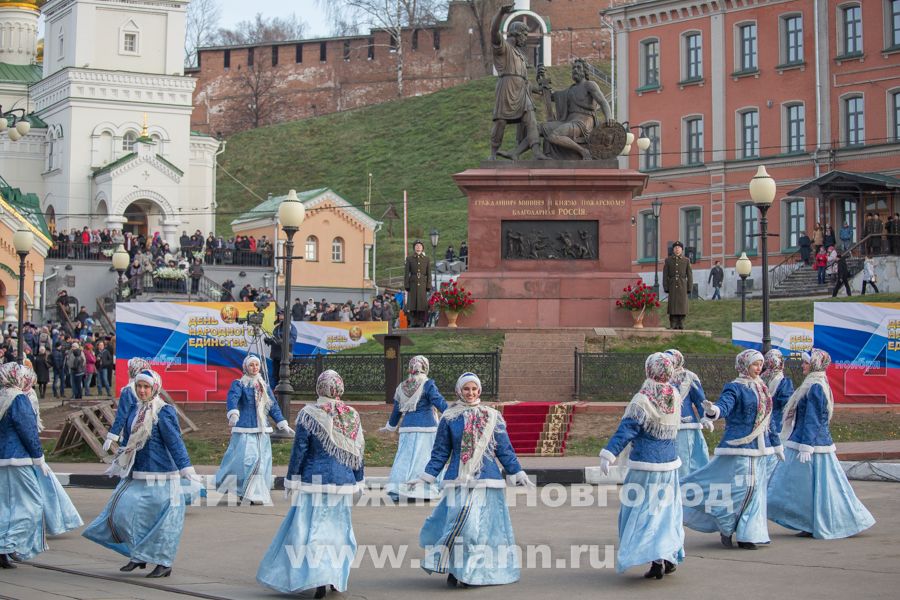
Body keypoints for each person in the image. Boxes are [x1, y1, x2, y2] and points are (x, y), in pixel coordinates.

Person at [410, 372, 534, 588]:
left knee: (481, 531)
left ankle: (473, 572)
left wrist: (517, 472)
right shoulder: (450, 417)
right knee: (461, 527)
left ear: (480, 390)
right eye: (466, 389)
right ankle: (457, 568)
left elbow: (503, 449)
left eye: (474, 389)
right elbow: (440, 452)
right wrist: (425, 475)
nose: (470, 393)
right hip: (458, 481)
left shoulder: (491, 416)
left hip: (487, 481)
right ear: (459, 390)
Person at [256, 370, 364, 599]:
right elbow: (358, 453)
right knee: (338, 533)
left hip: (313, 482)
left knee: (308, 531)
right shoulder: (352, 415)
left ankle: (317, 580)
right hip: (343, 484)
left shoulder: (309, 414)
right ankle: (334, 576)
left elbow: (300, 451)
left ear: (319, 388)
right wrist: (358, 478)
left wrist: (291, 478)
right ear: (340, 388)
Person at [83, 369, 200, 578]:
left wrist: (185, 467)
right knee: (124, 513)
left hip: (161, 474)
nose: (142, 390)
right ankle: (140, 555)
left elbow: (174, 441)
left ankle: (163, 563)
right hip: (136, 472)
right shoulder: (135, 410)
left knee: (163, 523)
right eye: (139, 386)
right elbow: (128, 441)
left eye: (146, 387)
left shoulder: (163, 411)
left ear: (155, 388)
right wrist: (119, 461)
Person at [768, 350, 875, 539]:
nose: (802, 365)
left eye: (806, 363)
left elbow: (813, 418)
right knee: (801, 486)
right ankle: (808, 521)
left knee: (820, 486)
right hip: (802, 442)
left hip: (813, 446)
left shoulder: (816, 386)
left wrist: (807, 445)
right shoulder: (811, 384)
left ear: (815, 364)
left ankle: (841, 520)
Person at [682, 349, 780, 550]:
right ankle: (726, 527)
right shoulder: (735, 387)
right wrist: (713, 411)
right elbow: (725, 406)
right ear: (744, 365)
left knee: (755, 494)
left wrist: (776, 444)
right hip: (740, 448)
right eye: (755, 364)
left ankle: (749, 534)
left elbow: (769, 420)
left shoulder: (763, 388)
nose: (759, 368)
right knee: (739, 491)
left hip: (761, 449)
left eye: (761, 364)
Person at [599, 353, 685, 579]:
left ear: (649, 370)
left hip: (645, 466)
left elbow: (628, 429)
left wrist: (610, 453)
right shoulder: (674, 395)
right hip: (669, 465)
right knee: (667, 512)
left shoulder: (642, 399)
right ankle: (667, 554)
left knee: (642, 512)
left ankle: (656, 558)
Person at [216, 355, 293, 505]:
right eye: (251, 365)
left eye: (257, 365)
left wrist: (281, 422)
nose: (255, 368)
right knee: (248, 460)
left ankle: (255, 494)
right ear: (245, 367)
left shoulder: (263, 385)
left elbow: (272, 406)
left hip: (261, 431)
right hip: (245, 430)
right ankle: (244, 491)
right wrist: (233, 413)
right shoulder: (239, 384)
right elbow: (233, 398)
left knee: (261, 461)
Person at [0, 363, 56, 566]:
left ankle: (3, 553)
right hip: (19, 459)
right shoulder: (18, 399)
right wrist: (39, 457)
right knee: (32, 505)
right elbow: (28, 430)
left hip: (2, 460)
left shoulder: (2, 396)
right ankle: (7, 543)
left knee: (4, 506)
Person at [380, 356, 448, 500]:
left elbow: (396, 411)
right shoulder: (427, 384)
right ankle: (424, 490)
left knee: (404, 459)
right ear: (425, 367)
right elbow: (439, 403)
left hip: (407, 428)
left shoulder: (402, 387)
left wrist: (390, 427)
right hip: (427, 427)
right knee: (425, 458)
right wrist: (454, 413)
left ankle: (398, 490)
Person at [488, 3, 545, 161]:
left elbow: (524, 81)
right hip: (507, 88)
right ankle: (493, 153)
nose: (526, 39)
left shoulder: (521, 56)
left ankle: (536, 151)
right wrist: (500, 13)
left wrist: (537, 89)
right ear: (517, 33)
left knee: (531, 118)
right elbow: (493, 32)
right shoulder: (503, 48)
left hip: (522, 91)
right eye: (524, 35)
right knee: (500, 121)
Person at [539, 58, 612, 160]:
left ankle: (583, 151)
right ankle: (541, 156)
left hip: (584, 123)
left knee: (553, 135)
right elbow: (550, 96)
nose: (575, 70)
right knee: (541, 128)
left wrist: (609, 117)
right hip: (569, 121)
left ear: (585, 71)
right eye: (573, 68)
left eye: (578, 67)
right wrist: (542, 81)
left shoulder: (589, 85)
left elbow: (603, 102)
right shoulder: (570, 90)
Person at [665, 349, 713, 479]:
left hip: (686, 425)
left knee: (688, 456)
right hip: (666, 425)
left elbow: (700, 400)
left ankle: (689, 483)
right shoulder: (661, 377)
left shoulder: (689, 377)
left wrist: (706, 417)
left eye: (670, 361)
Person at [103, 358, 151, 452]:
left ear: (135, 370)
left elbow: (122, 415)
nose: (127, 371)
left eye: (129, 369)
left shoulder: (129, 389)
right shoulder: (150, 387)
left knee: (123, 461)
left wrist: (112, 435)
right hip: (147, 429)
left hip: (131, 431)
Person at [760, 350, 794, 482]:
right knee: (777, 453)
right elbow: (787, 403)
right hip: (777, 421)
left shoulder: (760, 378)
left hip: (759, 420)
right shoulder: (783, 381)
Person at [663, 241, 692, 330]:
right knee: (673, 305)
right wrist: (666, 287)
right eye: (675, 248)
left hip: (682, 285)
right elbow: (665, 275)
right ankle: (673, 323)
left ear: (682, 250)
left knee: (682, 305)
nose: (677, 249)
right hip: (672, 286)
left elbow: (689, 275)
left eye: (679, 248)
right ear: (673, 249)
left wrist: (689, 287)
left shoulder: (686, 260)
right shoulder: (668, 260)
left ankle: (681, 323)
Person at [404, 240, 432, 328]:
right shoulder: (409, 258)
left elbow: (429, 274)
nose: (418, 247)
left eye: (420, 246)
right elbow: (406, 273)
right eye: (416, 246)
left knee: (422, 305)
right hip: (412, 284)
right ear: (414, 248)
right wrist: (406, 285)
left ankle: (421, 322)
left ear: (422, 248)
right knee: (412, 304)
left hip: (423, 284)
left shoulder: (426, 259)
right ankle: (413, 321)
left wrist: (428, 285)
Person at [265, 311, 297, 386]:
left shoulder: (291, 327)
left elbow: (292, 340)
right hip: (275, 355)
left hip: (284, 356)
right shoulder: (277, 327)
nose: (280, 317)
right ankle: (275, 394)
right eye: (279, 315)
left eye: (282, 315)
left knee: (283, 377)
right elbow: (275, 339)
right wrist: (269, 341)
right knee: (275, 376)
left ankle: (282, 395)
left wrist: (283, 341)